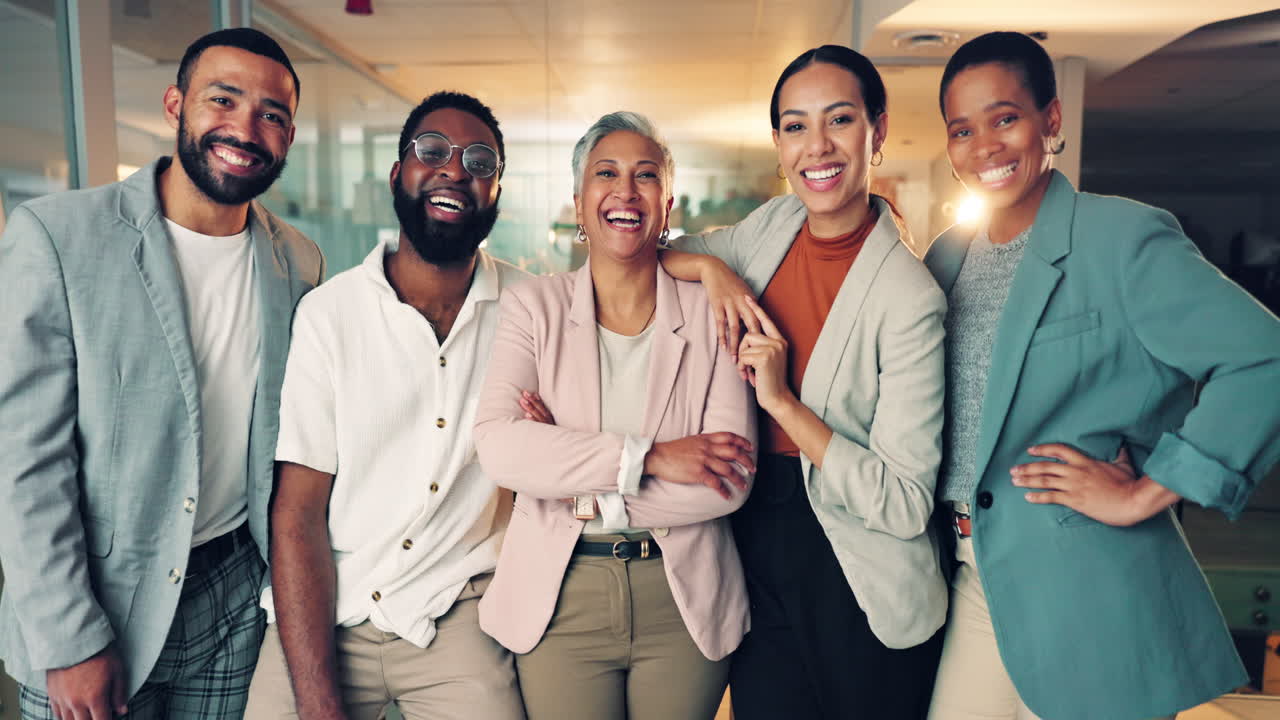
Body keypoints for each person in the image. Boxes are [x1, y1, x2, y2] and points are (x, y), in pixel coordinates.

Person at [923, 32, 1280, 720]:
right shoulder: (947, 257)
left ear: (1050, 120)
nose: (985, 147)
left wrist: (1148, 492)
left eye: (1005, 118)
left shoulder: (1121, 239)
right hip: (973, 579)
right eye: (962, 130)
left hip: (1090, 588)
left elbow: (1263, 356)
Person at [0, 28, 323, 720]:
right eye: (223, 100)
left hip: (237, 596)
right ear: (176, 104)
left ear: (288, 137)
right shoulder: (57, 237)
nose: (245, 128)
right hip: (103, 605)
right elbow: (24, 459)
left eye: (272, 114)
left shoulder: (298, 260)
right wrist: (68, 638)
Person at [656, 44, 949, 719]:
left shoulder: (911, 298)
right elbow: (655, 253)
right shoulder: (774, 226)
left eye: (839, 120)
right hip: (755, 531)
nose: (817, 145)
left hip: (855, 563)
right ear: (779, 144)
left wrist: (783, 403)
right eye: (796, 125)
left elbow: (904, 502)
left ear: (877, 132)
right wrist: (712, 271)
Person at [244, 91, 527, 720]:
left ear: (497, 193)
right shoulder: (329, 315)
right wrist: (318, 703)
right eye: (433, 152)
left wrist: (711, 272)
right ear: (399, 174)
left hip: (457, 615)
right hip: (330, 613)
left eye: (480, 162)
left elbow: (637, 267)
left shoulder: (534, 309)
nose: (455, 170)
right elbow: (297, 513)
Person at [472, 111, 756, 720]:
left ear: (667, 204)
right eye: (607, 173)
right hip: (559, 595)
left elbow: (728, 481)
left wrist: (569, 478)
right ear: (579, 204)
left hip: (682, 602)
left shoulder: (711, 312)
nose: (626, 191)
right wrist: (653, 459)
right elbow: (500, 448)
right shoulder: (533, 308)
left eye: (645, 175)